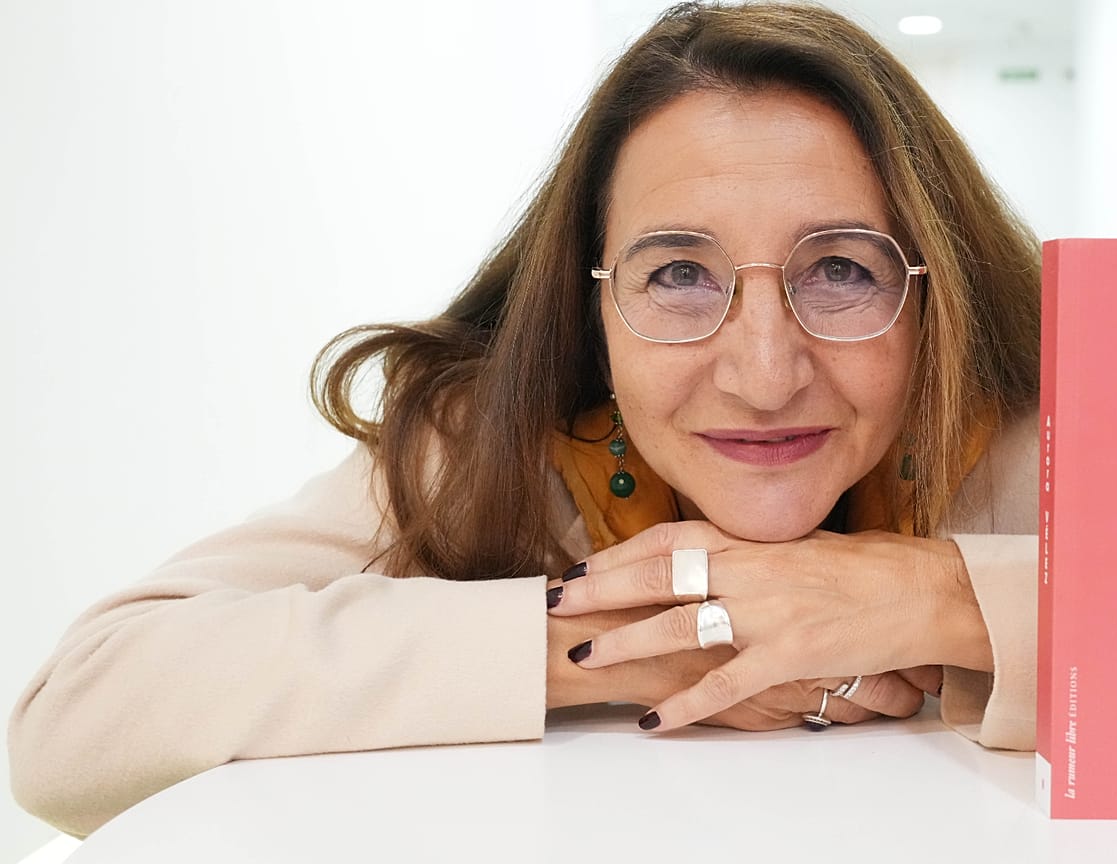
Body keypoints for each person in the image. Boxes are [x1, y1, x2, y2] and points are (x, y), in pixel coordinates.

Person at [8, 0, 1042, 838]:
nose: (765, 372)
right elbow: (76, 722)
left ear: (937, 288)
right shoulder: (487, 437)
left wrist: (942, 597)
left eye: (842, 270)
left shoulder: (1045, 431)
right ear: (591, 306)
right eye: (679, 272)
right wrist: (639, 642)